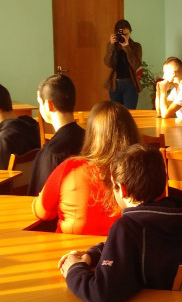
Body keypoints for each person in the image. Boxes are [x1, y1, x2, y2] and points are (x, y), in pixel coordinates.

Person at [58, 145, 182, 302]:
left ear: (122, 189)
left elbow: (103, 292)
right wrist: (91, 255)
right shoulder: (173, 215)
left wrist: (74, 269)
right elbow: (129, 249)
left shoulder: (128, 227)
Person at [32, 100, 140, 235]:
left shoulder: (70, 169)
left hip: (71, 247)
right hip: (124, 247)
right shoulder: (143, 172)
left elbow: (41, 211)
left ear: (91, 134)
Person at [27, 74, 85, 196]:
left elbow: (40, 198)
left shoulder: (52, 152)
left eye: (40, 103)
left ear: (48, 105)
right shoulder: (90, 139)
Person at [103, 19, 142, 110]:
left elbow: (136, 65)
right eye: (121, 34)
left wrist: (127, 47)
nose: (124, 37)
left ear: (130, 33)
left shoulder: (136, 46)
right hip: (115, 84)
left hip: (130, 84)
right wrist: (111, 46)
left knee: (130, 113)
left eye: (126, 34)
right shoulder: (112, 45)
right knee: (116, 113)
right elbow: (107, 63)